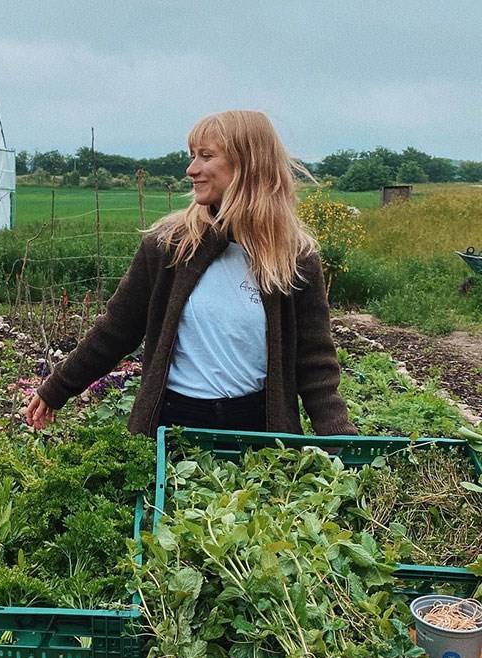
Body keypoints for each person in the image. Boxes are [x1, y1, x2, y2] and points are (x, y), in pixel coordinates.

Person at [25, 110, 357, 438]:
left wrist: (342, 441)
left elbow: (314, 361)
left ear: (247, 164)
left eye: (205, 156)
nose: (191, 169)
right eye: (192, 156)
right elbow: (115, 330)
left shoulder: (294, 257)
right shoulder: (169, 247)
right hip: (172, 428)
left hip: (260, 432)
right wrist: (57, 388)